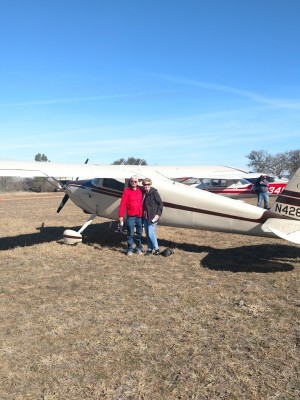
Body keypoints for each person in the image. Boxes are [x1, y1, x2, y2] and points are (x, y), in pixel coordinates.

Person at [118, 176, 143, 255]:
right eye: (132, 181)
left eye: (135, 181)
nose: (134, 183)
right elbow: (123, 203)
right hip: (131, 215)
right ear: (130, 182)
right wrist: (121, 215)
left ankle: (139, 248)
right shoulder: (127, 191)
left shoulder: (140, 190)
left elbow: (149, 190)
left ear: (137, 182)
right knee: (130, 233)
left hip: (139, 215)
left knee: (139, 233)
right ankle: (129, 249)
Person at [142, 178, 163, 256]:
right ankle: (150, 249)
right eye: (144, 184)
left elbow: (160, 204)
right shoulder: (144, 193)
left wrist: (158, 215)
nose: (146, 186)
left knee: (151, 233)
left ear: (150, 185)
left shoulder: (154, 192)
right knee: (147, 233)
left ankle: (156, 249)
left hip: (153, 216)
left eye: (148, 184)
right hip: (146, 216)